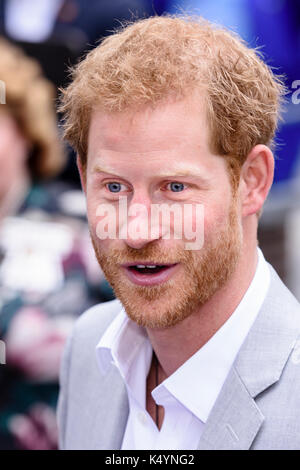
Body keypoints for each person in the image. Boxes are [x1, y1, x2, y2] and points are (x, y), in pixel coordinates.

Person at [57, 15, 300, 450]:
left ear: (253, 182)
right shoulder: (88, 348)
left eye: (174, 188)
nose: (136, 230)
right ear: (82, 177)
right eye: (114, 187)